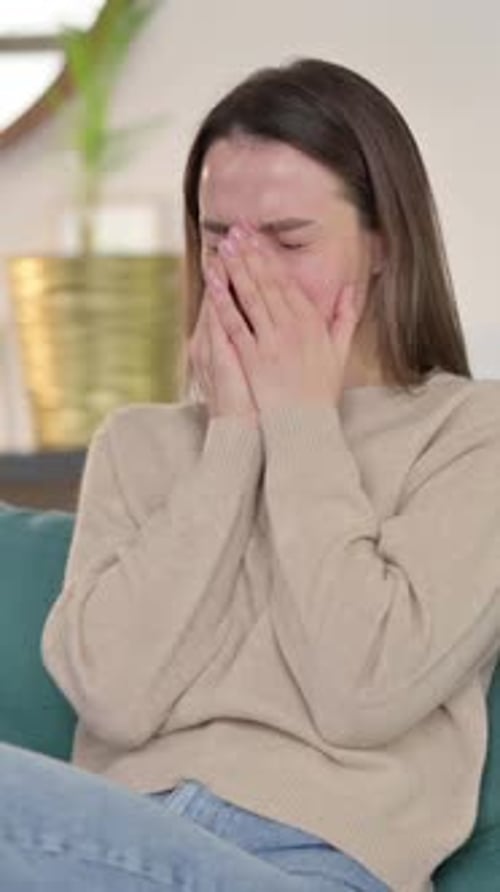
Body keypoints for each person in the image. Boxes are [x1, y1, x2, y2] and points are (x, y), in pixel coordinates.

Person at [1, 56, 499, 892]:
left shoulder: (469, 434)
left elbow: (361, 690)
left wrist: (301, 423)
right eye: (216, 237)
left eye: (287, 240)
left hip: (307, 870)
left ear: (382, 246)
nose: (241, 271)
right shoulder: (142, 446)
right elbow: (115, 698)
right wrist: (234, 436)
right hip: (112, 850)